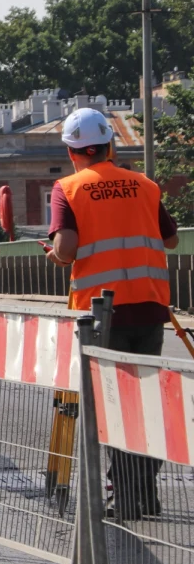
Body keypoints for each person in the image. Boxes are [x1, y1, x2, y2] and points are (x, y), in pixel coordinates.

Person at [44, 106, 178, 520]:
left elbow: (67, 248)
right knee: (145, 402)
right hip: (150, 308)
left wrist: (56, 256)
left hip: (102, 315)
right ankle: (144, 492)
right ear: (109, 145)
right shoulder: (145, 185)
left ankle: (125, 493)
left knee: (113, 407)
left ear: (72, 152)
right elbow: (171, 240)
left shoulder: (68, 188)